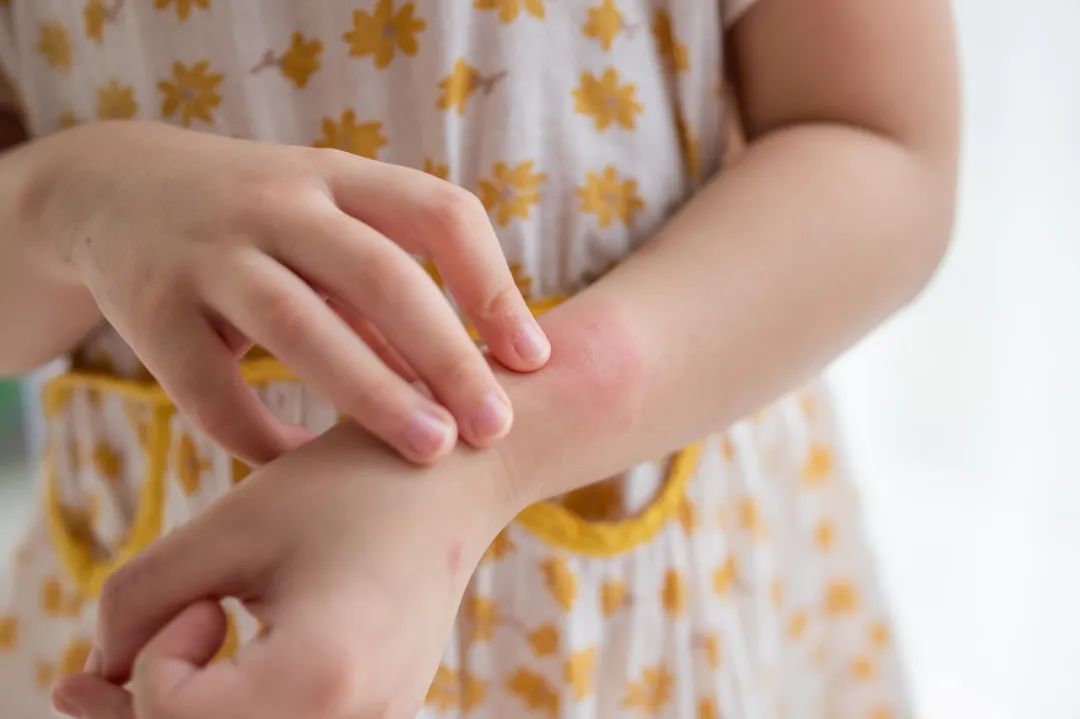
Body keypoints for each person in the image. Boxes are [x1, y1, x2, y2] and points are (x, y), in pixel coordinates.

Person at [0, 1, 959, 717]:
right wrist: (69, 200)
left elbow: (883, 148)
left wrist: (486, 456)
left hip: (638, 583)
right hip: (162, 602)